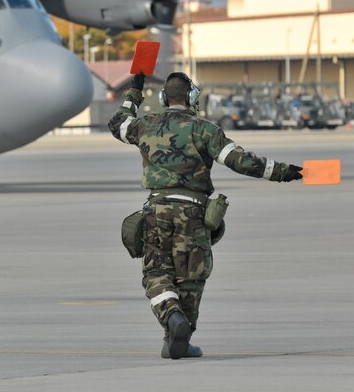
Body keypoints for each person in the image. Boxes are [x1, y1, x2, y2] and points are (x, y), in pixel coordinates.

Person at [109, 72, 303, 359]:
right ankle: (180, 337)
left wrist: (133, 92)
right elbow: (240, 161)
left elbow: (118, 124)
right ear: (192, 98)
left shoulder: (145, 125)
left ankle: (171, 317)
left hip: (157, 209)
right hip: (193, 211)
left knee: (156, 272)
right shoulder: (204, 129)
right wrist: (283, 172)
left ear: (163, 98)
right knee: (191, 275)